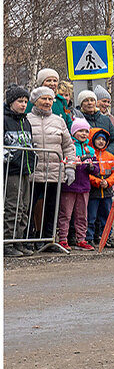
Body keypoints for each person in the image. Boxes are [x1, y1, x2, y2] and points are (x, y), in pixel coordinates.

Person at [26, 86, 75, 252]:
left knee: (52, 207)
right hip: (32, 173)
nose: (47, 102)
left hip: (55, 173)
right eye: (43, 99)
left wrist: (70, 168)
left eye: (49, 99)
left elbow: (68, 146)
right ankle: (30, 238)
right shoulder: (26, 119)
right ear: (35, 100)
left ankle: (48, 239)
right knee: (29, 207)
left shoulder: (59, 121)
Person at [4, 86, 36, 257]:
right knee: (13, 206)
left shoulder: (25, 121)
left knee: (24, 207)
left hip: (25, 168)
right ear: (11, 103)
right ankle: (7, 241)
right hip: (11, 170)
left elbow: (30, 143)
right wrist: (12, 159)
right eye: (20, 101)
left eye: (25, 101)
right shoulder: (4, 120)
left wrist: (33, 158)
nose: (24, 105)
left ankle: (18, 240)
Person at [59, 118, 99, 250]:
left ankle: (81, 239)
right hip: (69, 186)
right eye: (80, 131)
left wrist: (92, 167)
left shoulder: (90, 150)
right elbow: (64, 162)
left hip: (84, 187)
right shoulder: (70, 147)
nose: (83, 134)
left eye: (86, 131)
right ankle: (62, 239)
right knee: (65, 214)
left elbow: (97, 169)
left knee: (82, 215)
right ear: (74, 132)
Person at [86, 127, 114, 248]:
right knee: (91, 216)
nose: (101, 141)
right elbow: (87, 174)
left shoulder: (110, 156)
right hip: (94, 192)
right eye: (98, 139)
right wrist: (97, 181)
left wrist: (108, 182)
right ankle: (89, 238)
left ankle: (106, 237)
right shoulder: (89, 154)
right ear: (93, 140)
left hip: (107, 192)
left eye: (103, 139)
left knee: (106, 216)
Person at [74, 89, 114, 156]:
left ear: (95, 102)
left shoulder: (106, 120)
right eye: (86, 100)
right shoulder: (77, 120)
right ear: (81, 104)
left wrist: (106, 153)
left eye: (92, 100)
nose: (90, 103)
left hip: (104, 160)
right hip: (85, 158)